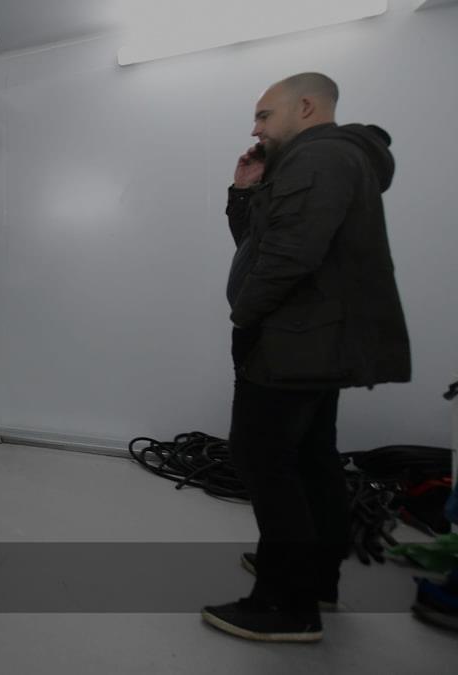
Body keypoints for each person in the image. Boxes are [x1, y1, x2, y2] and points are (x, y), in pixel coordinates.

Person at [202, 72, 411, 642]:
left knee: (264, 460)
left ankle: (285, 606)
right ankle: (313, 578)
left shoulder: (320, 158)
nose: (255, 128)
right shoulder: (318, 160)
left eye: (264, 115)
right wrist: (245, 190)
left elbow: (289, 256)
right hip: (310, 340)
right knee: (310, 459)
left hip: (293, 341)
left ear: (307, 107)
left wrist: (244, 315)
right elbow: (259, 244)